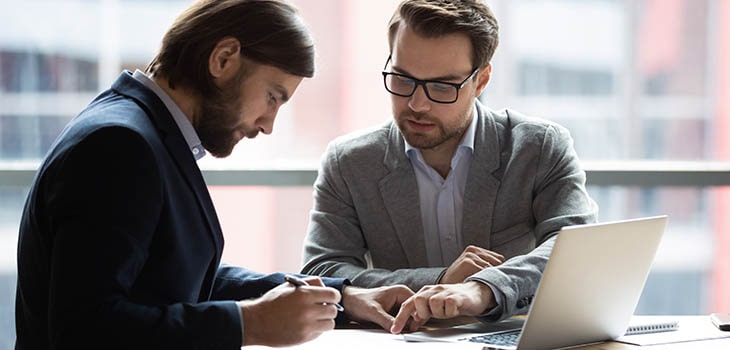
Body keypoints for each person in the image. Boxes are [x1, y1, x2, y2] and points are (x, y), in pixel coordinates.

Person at [14, 1, 413, 349]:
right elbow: (84, 330)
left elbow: (175, 277)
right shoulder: (121, 145)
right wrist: (247, 325)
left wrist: (337, 297)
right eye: (273, 96)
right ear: (223, 58)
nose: (268, 124)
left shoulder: (141, 130)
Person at [300, 0, 598, 332]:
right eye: (402, 79)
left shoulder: (538, 148)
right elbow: (321, 272)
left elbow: (576, 249)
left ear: (481, 81)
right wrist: (440, 279)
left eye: (442, 86)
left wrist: (481, 289)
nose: (417, 104)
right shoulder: (350, 163)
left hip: (513, 338)